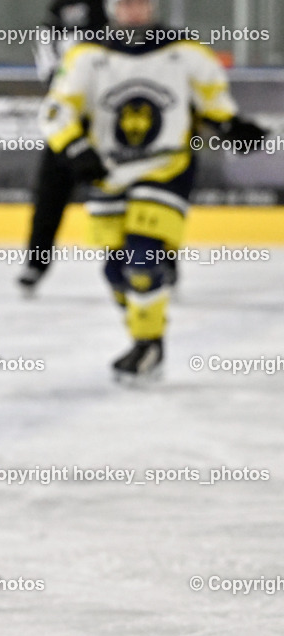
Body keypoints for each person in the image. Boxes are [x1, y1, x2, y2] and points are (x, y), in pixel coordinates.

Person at [39, 0, 265, 379]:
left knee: (141, 260)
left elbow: (214, 104)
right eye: (127, 3)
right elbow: (56, 111)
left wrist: (232, 126)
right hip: (110, 172)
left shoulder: (186, 52)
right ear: (113, 8)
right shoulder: (86, 55)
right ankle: (144, 336)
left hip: (167, 169)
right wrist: (77, 150)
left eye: (142, 2)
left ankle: (149, 345)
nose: (135, 10)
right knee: (115, 272)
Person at [17, 0, 108, 297]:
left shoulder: (117, 9)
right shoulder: (57, 14)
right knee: (49, 196)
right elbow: (49, 71)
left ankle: (158, 262)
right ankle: (35, 264)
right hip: (67, 119)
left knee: (135, 194)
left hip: (113, 121)